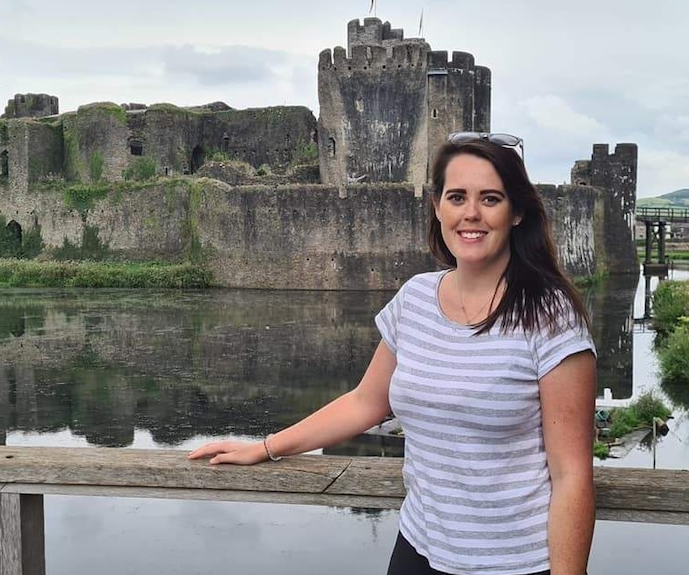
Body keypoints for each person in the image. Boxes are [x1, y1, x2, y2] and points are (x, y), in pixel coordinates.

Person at [188, 132, 596, 575]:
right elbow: (367, 401)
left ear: (517, 212)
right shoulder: (415, 298)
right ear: (438, 206)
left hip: (514, 563)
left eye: (490, 198)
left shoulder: (550, 314)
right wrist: (267, 447)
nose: (471, 214)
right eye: (457, 197)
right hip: (419, 550)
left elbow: (572, 475)